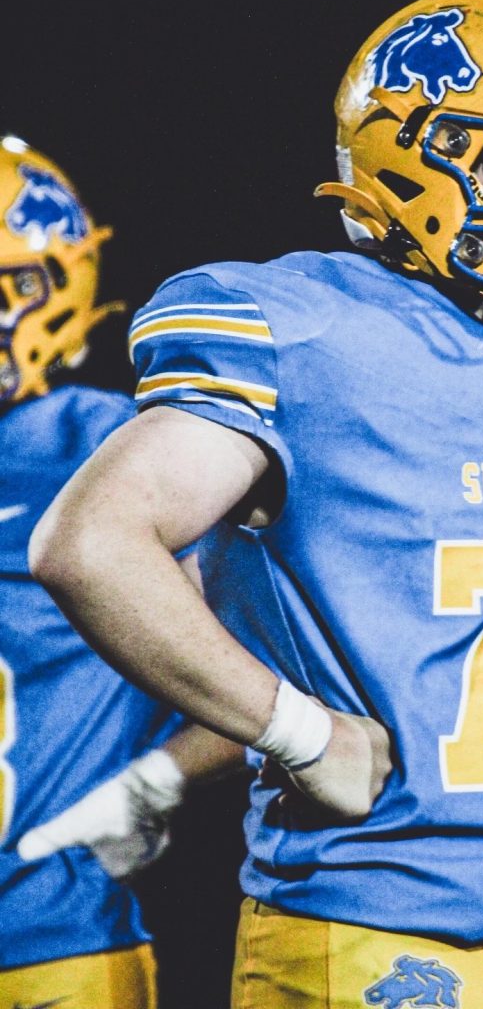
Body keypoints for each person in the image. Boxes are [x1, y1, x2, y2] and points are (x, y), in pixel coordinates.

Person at [29, 0, 483, 1009]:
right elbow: (92, 541)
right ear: (425, 160)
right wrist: (294, 728)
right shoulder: (310, 332)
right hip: (373, 943)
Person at [0, 135, 242, 1008]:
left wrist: (156, 782)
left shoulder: (105, 446)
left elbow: (272, 658)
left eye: (10, 286)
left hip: (49, 938)